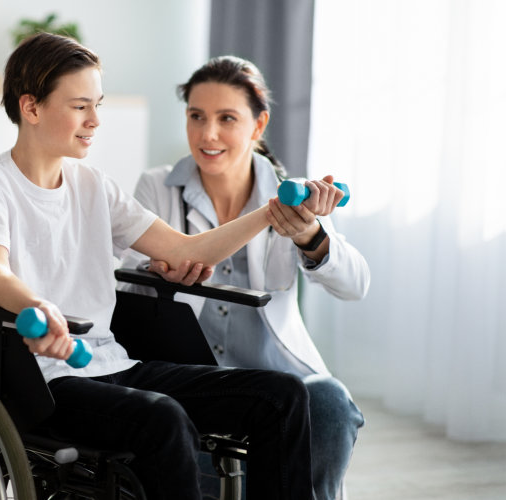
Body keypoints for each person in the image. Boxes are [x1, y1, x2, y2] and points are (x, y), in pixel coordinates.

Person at [0, 34, 315, 499]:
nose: (95, 121)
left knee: (282, 398)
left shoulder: (94, 185)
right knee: (163, 418)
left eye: (97, 105)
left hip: (111, 363)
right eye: (81, 106)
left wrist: (270, 213)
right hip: (38, 379)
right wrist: (37, 306)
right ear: (32, 108)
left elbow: (186, 252)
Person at [124, 55, 371, 500]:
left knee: (330, 403)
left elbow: (355, 284)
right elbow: (121, 281)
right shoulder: (157, 187)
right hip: (193, 380)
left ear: (258, 126)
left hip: (277, 377)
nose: (207, 134)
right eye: (196, 116)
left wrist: (312, 237)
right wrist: (155, 269)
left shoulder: (290, 198)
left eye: (227, 119)